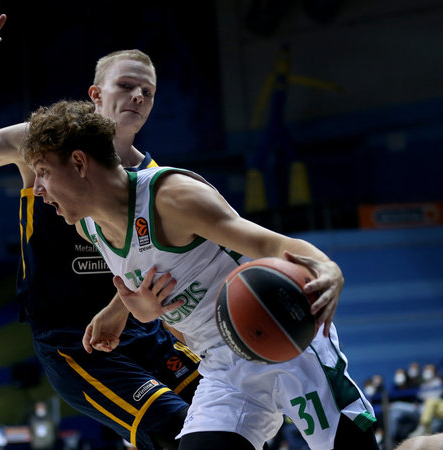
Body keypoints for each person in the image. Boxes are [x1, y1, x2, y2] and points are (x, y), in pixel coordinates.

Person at [0, 5, 201, 449]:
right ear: (96, 94)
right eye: (126, 85)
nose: (139, 96)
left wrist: (126, 310)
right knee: (176, 428)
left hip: (144, 332)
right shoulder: (41, 145)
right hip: (72, 341)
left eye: (148, 91)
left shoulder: (155, 179)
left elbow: (160, 269)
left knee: (231, 418)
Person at [19, 99, 378, 450]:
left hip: (283, 340)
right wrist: (126, 310)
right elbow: (146, 273)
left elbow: (270, 243)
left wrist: (327, 267)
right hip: (222, 366)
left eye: (45, 172)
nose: (38, 188)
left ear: (80, 162)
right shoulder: (89, 228)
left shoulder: (171, 198)